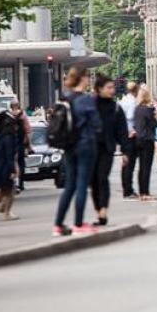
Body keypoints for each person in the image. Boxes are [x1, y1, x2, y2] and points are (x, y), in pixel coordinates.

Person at [53, 66, 99, 236]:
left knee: (69, 186)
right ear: (83, 78)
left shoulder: (65, 98)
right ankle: (78, 223)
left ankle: (58, 224)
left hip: (68, 146)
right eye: (87, 77)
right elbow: (97, 123)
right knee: (81, 185)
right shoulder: (85, 100)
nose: (88, 80)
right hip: (85, 144)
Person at [90, 75, 129, 226]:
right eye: (109, 87)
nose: (112, 90)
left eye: (113, 87)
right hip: (91, 148)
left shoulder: (115, 107)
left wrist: (125, 151)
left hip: (107, 148)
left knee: (102, 178)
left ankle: (103, 211)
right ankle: (98, 209)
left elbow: (122, 130)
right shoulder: (90, 105)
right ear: (99, 89)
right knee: (93, 180)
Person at [132, 86, 157, 201]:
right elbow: (153, 125)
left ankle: (141, 192)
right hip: (147, 139)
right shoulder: (149, 109)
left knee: (141, 167)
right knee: (146, 167)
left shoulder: (137, 109)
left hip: (138, 139)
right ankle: (145, 192)